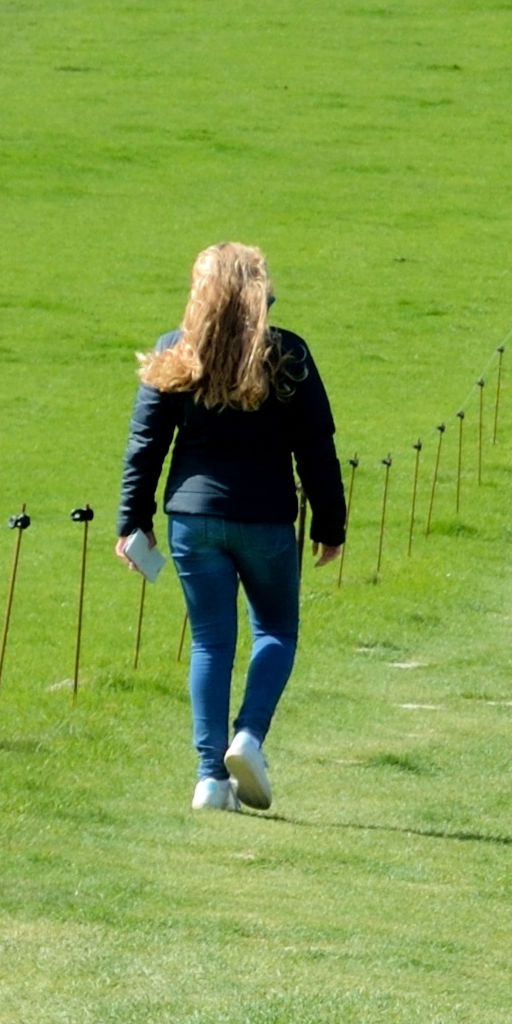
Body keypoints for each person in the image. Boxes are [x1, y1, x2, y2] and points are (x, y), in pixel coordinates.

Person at [116, 241, 342, 813]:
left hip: (192, 521)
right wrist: (330, 523)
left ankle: (209, 780)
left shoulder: (175, 351)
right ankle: (249, 737)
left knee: (210, 643)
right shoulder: (287, 354)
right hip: (266, 519)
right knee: (276, 631)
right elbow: (316, 446)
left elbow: (145, 444)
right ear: (259, 292)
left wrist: (132, 521)